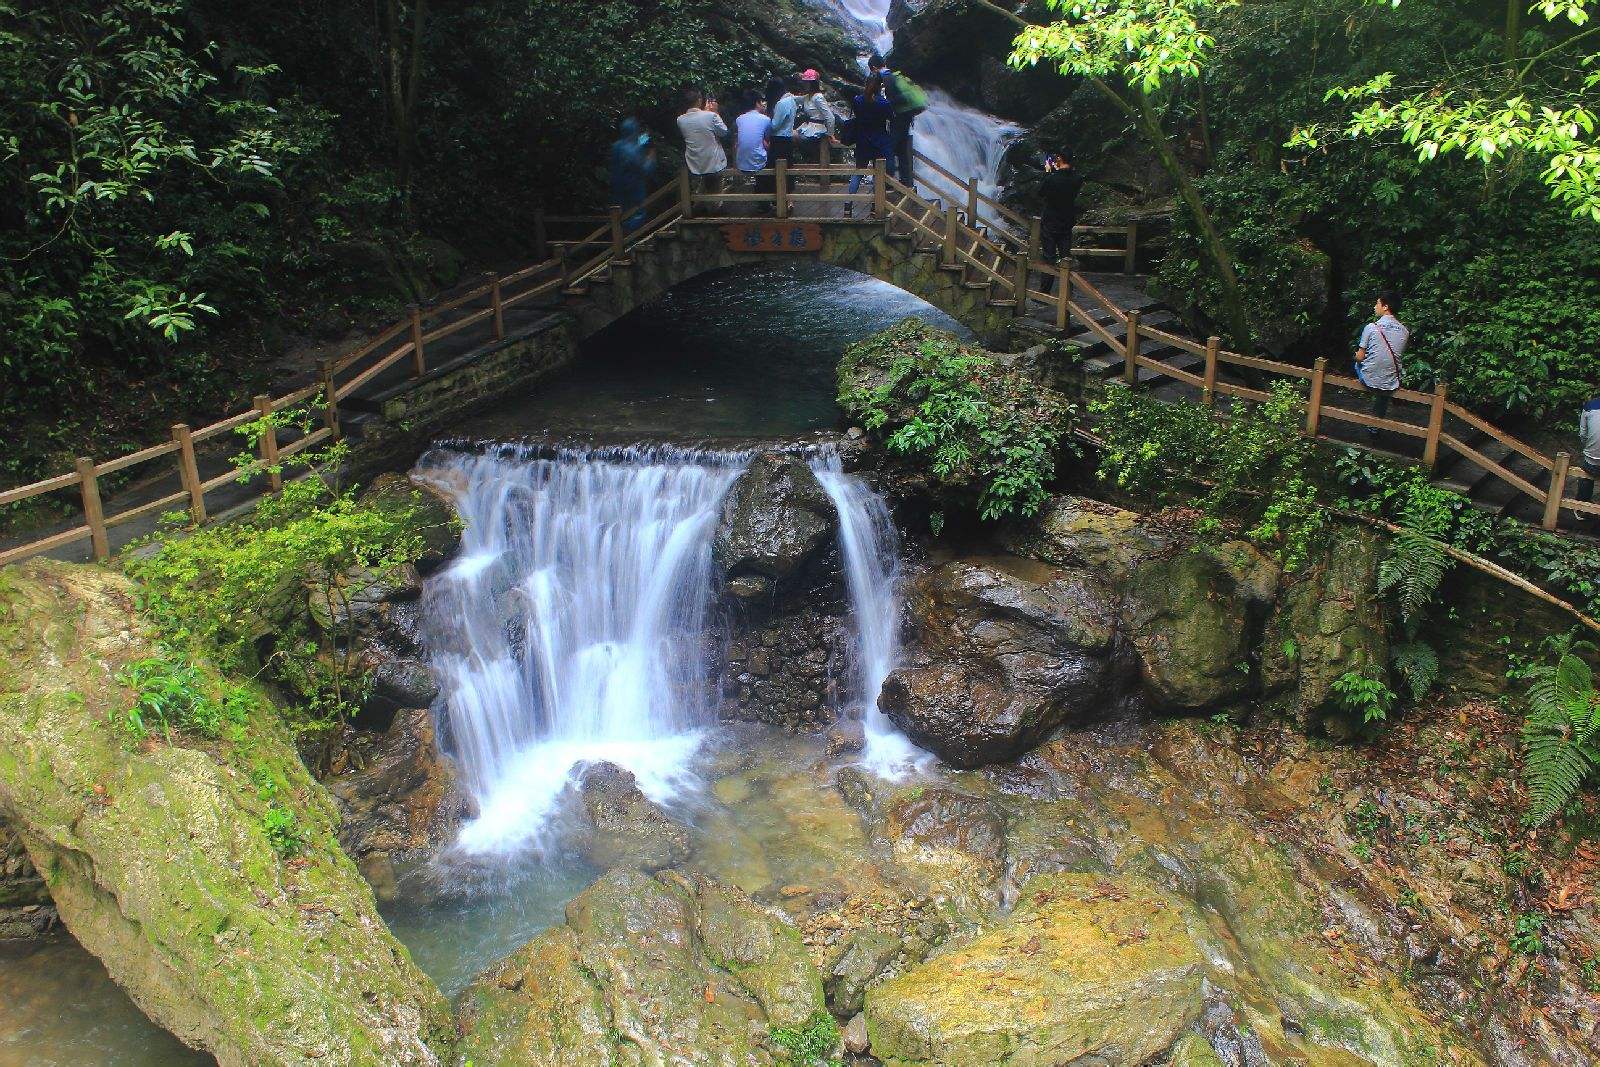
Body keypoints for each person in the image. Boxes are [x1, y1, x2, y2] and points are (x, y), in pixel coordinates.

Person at [1354, 292, 1409, 434]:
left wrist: (1357, 356)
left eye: (1377, 303)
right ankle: (1374, 426)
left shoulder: (1371, 327)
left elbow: (1360, 357)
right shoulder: (1404, 331)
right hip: (1391, 382)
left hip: (1370, 379)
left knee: (1357, 363)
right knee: (1384, 390)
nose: (1375, 307)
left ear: (1385, 307)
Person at [846, 73, 893, 216]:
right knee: (878, 174)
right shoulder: (884, 103)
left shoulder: (857, 100)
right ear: (880, 86)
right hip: (879, 141)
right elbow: (890, 117)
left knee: (859, 172)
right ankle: (875, 206)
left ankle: (848, 204)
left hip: (862, 140)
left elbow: (855, 115)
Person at [876, 54, 927, 183]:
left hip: (898, 118)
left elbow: (892, 101)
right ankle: (906, 182)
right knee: (903, 150)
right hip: (907, 117)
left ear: (874, 67)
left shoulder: (886, 79)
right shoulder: (895, 77)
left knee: (889, 149)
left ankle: (887, 183)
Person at [676, 87, 728, 210]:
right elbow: (724, 132)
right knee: (716, 193)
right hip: (714, 161)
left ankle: (697, 212)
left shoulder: (680, 120)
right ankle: (714, 213)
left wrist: (706, 112)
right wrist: (715, 112)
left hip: (694, 162)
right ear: (699, 100)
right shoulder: (711, 116)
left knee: (699, 192)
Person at [609, 117, 656, 233]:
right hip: (634, 187)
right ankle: (630, 243)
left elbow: (637, 142)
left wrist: (645, 137)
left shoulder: (616, 146)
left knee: (621, 215)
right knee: (637, 214)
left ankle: (621, 240)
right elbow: (644, 169)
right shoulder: (632, 149)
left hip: (617, 187)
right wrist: (651, 158)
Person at [1038, 150, 1084, 263]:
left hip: (1050, 221)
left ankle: (1047, 280)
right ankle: (1065, 279)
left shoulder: (1051, 179)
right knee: (1065, 256)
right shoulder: (1077, 179)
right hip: (1067, 220)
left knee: (1049, 257)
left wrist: (1048, 172)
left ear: (1059, 159)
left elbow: (1041, 192)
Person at [734, 90, 773, 208]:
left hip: (740, 162)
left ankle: (762, 201)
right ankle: (766, 201)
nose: (763, 104)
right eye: (761, 102)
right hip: (758, 162)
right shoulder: (765, 119)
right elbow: (768, 139)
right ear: (757, 103)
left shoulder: (739, 119)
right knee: (770, 155)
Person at [795, 69, 838, 164]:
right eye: (804, 82)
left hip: (816, 130)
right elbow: (795, 99)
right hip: (808, 127)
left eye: (807, 83)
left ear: (813, 84)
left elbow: (830, 117)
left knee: (791, 135)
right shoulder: (807, 97)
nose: (804, 85)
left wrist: (830, 134)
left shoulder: (818, 97)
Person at [1575, 394, 1600, 518]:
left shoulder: (1589, 406)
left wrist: (1589, 448)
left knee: (1586, 477)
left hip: (1591, 461)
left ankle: (1581, 508)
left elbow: (1583, 434)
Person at [768, 76, 800, 170]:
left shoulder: (781, 103)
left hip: (779, 141)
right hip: (788, 139)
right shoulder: (791, 100)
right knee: (787, 169)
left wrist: (765, 120)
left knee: (778, 171)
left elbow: (775, 125)